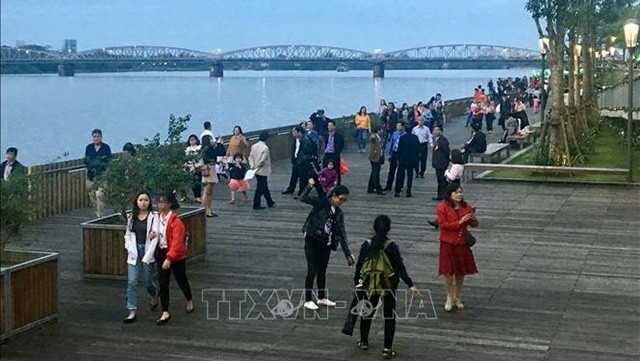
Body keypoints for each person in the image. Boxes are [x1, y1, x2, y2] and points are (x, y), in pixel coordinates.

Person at [346, 215, 420, 359]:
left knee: (368, 312)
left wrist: (357, 283)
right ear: (389, 229)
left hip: (371, 284)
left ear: (374, 228)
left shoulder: (367, 244)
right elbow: (399, 267)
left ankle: (364, 341)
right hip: (389, 285)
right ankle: (387, 348)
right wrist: (410, 284)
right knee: (389, 316)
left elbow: (360, 266)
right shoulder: (391, 246)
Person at [300, 177, 355, 310]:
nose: (341, 202)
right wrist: (309, 186)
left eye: (344, 200)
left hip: (326, 243)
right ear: (334, 196)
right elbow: (303, 198)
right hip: (312, 240)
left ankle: (321, 297)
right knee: (312, 269)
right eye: (340, 199)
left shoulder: (339, 213)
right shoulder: (321, 202)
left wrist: (347, 253)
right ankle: (308, 299)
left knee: (322, 270)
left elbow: (342, 233)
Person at [436, 184, 478, 312]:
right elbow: (443, 225)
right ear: (450, 194)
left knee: (460, 272)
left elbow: (475, 224)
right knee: (448, 272)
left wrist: (473, 217)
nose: (459, 194)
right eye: (456, 192)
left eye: (460, 192)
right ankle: (449, 296)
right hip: (448, 244)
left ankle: (457, 296)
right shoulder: (442, 207)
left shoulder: (466, 207)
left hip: (462, 244)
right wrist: (459, 222)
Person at [155, 191, 194, 325]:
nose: (160, 205)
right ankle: (165, 311)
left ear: (170, 204)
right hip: (161, 251)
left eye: (163, 202)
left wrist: (169, 258)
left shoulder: (176, 222)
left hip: (176, 255)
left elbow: (177, 242)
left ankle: (189, 299)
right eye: (159, 202)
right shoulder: (156, 218)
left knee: (181, 278)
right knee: (163, 282)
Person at [122, 191, 159, 324]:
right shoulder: (132, 217)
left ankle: (154, 295)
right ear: (136, 202)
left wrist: (149, 252)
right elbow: (128, 234)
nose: (143, 203)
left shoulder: (154, 216)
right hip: (134, 250)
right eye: (140, 200)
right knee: (132, 281)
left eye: (146, 200)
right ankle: (131, 310)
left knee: (148, 281)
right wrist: (129, 247)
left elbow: (156, 235)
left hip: (147, 250)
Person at [428, 149, 464, 230]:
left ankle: (440, 221)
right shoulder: (460, 165)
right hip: (456, 184)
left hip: (452, 186)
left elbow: (451, 177)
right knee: (453, 204)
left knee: (448, 203)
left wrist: (446, 171)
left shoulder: (455, 166)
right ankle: (440, 220)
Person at [84, 129, 113, 218]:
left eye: (97, 137)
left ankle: (101, 215)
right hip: (91, 175)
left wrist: (106, 174)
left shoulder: (106, 147)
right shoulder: (89, 147)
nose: (96, 139)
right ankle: (96, 212)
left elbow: (109, 161)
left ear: (101, 137)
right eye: (94, 137)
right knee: (92, 195)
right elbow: (86, 161)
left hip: (102, 175)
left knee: (100, 195)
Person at [283, 125, 316, 197]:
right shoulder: (295, 140)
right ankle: (291, 189)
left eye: (295, 132)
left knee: (303, 177)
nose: (293, 134)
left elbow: (307, 151)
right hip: (296, 160)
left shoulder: (305, 139)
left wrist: (304, 159)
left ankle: (302, 191)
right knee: (294, 176)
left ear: (299, 132)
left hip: (302, 161)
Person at [248, 131, 275, 210]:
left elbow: (250, 157)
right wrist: (257, 166)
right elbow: (262, 160)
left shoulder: (254, 146)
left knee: (264, 185)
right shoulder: (265, 148)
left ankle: (270, 201)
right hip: (263, 170)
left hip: (255, 170)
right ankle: (256, 204)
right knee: (261, 187)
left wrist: (252, 166)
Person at [200, 134, 225, 217]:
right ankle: (203, 210)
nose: (212, 141)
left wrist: (218, 144)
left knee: (209, 191)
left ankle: (209, 210)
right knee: (207, 191)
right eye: (210, 139)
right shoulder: (207, 149)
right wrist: (219, 144)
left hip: (212, 168)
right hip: (208, 169)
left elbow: (221, 152)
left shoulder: (208, 148)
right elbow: (218, 152)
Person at [394, 123, 420, 198]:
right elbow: (418, 150)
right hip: (411, 160)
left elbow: (399, 149)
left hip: (402, 159)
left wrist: (398, 158)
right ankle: (408, 191)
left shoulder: (402, 138)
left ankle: (397, 191)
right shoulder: (415, 138)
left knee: (400, 176)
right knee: (410, 176)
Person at [382, 122, 405, 192]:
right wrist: (390, 153)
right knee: (391, 170)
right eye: (397, 125)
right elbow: (391, 143)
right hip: (394, 152)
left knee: (401, 171)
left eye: (399, 125)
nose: (398, 127)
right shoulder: (395, 133)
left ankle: (400, 186)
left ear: (403, 126)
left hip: (401, 154)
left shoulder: (405, 135)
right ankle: (388, 186)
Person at [323, 120, 345, 185]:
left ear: (334, 126)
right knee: (325, 170)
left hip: (334, 154)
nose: (329, 127)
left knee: (336, 170)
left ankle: (337, 185)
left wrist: (337, 151)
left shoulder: (339, 136)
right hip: (327, 154)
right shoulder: (325, 135)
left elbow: (341, 145)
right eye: (328, 126)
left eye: (331, 125)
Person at [431, 126, 450, 201]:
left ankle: (444, 194)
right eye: (434, 130)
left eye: (437, 130)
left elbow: (446, 151)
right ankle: (440, 194)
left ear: (441, 131)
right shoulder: (436, 140)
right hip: (437, 163)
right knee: (439, 179)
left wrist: (445, 161)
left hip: (442, 163)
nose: (435, 132)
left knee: (442, 180)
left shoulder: (443, 140)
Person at [367, 127, 385, 195]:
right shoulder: (374, 137)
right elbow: (372, 138)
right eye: (381, 130)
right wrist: (372, 135)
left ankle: (370, 188)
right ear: (378, 131)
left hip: (378, 157)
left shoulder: (379, 138)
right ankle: (378, 189)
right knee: (376, 174)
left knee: (373, 173)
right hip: (375, 157)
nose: (382, 131)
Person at [184, 134, 202, 203]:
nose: (192, 141)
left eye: (193, 140)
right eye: (190, 140)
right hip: (190, 166)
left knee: (198, 182)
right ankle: (195, 196)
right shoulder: (188, 149)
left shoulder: (199, 147)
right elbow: (186, 158)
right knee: (193, 183)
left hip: (198, 166)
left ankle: (198, 196)